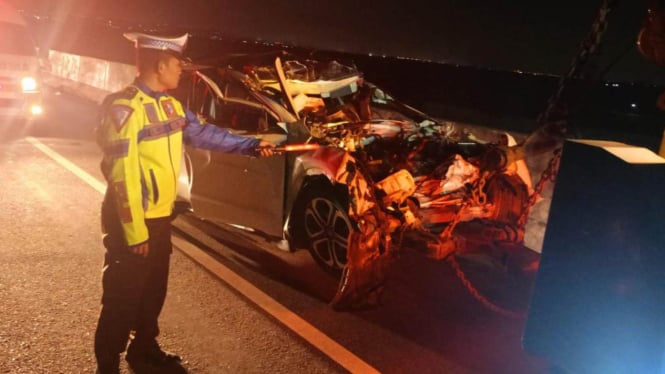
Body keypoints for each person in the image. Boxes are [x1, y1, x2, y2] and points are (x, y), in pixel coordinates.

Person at [94, 32, 274, 374]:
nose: (181, 70)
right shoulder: (124, 109)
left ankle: (143, 348)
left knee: (152, 292)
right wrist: (134, 232)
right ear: (160, 64)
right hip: (132, 221)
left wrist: (251, 144)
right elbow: (121, 176)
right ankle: (107, 365)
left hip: (160, 219)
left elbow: (206, 134)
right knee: (121, 297)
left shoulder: (170, 106)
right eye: (177, 64)